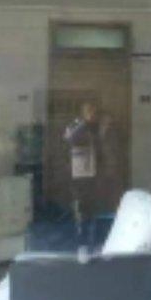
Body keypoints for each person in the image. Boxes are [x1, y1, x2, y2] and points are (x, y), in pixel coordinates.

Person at [63, 101, 100, 244]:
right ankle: (80, 233)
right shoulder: (76, 125)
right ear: (83, 113)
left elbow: (99, 146)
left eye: (94, 112)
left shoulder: (96, 127)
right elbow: (69, 139)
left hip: (92, 171)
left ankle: (91, 232)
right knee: (79, 202)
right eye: (89, 111)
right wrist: (83, 124)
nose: (93, 115)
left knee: (91, 203)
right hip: (78, 172)